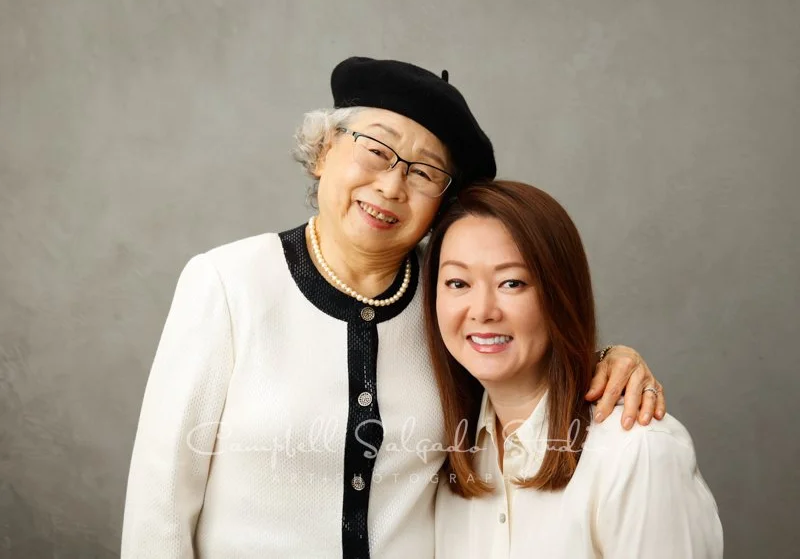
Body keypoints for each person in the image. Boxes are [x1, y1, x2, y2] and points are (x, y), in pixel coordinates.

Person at [121, 57, 666, 558]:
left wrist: (607, 358)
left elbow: (521, 364)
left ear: (442, 203)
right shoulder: (227, 282)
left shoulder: (449, 296)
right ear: (324, 150)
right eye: (376, 150)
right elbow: (159, 502)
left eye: (424, 172)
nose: (390, 185)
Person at [426, 181, 723, 558]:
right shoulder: (444, 453)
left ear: (560, 294)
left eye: (512, 283)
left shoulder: (637, 450)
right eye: (457, 282)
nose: (483, 310)